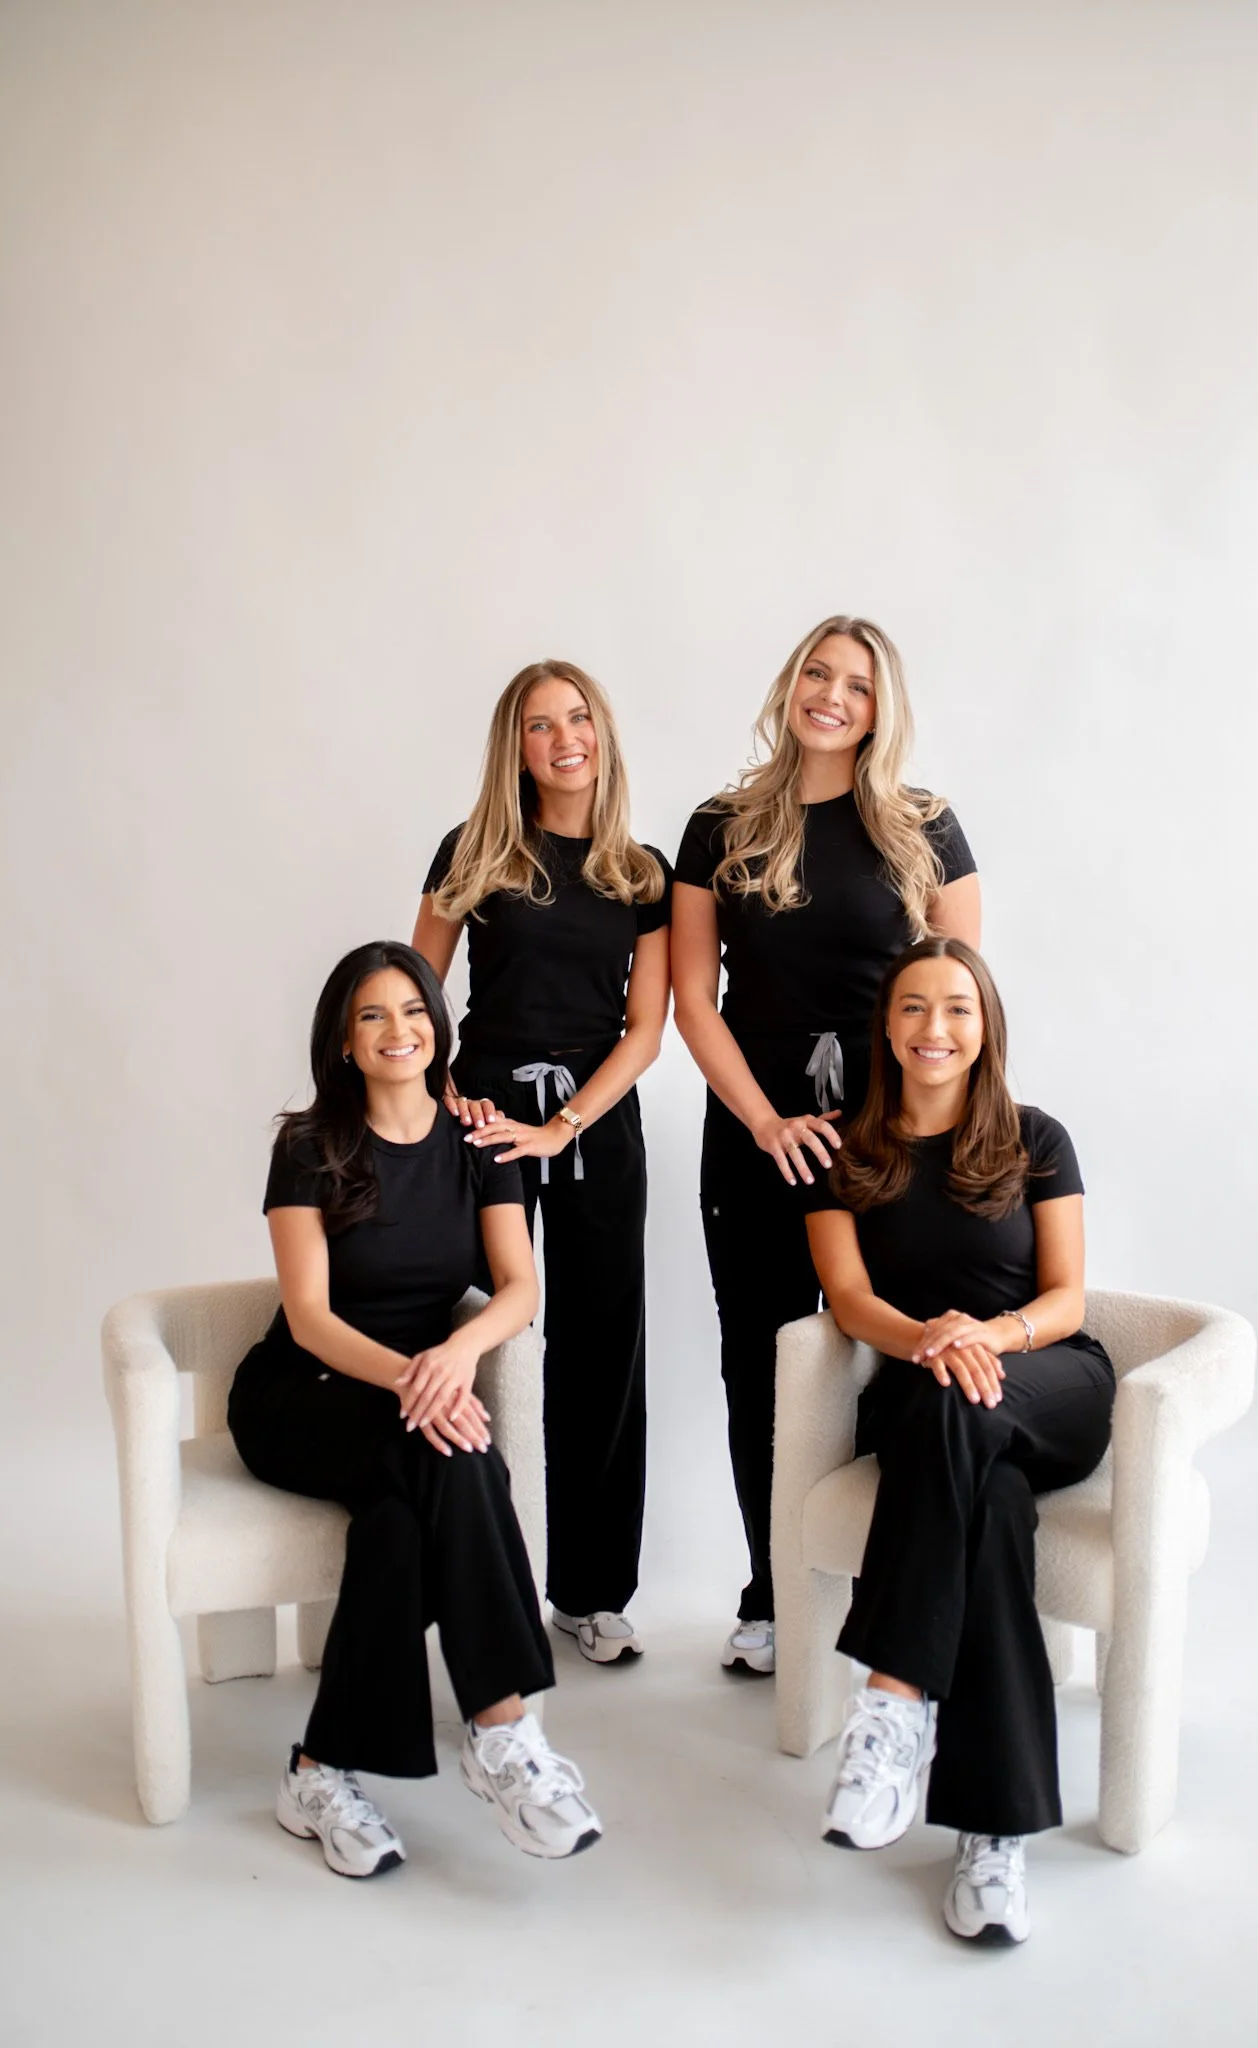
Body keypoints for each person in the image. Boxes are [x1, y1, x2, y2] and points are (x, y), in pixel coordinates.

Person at [228, 941, 602, 1879]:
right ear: (344, 1043)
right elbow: (309, 1319)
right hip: (304, 1396)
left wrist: (455, 1354)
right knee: (464, 1456)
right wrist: (413, 1380)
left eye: (413, 1011)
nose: (398, 1031)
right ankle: (502, 1729)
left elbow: (519, 1289)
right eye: (372, 1016)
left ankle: (318, 1772)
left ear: (439, 1026)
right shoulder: (308, 1146)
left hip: (413, 1392)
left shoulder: (481, 1140)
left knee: (399, 1526)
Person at [671, 616, 979, 1672]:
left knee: (889, 1348)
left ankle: (885, 1589)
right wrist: (763, 1118)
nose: (831, 694)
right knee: (759, 1365)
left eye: (855, 682)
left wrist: (899, 1125)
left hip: (889, 1136)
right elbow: (692, 1001)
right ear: (789, 682)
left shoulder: (923, 822)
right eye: (817, 671)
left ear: (879, 704)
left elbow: (956, 997)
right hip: (757, 1135)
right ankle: (770, 1595)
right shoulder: (720, 824)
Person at [801, 936, 1115, 1945]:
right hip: (936, 1401)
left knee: (956, 1401)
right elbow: (849, 1301)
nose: (934, 1028)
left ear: (984, 1029)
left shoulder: (1036, 1136)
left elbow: (1066, 1297)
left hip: (1046, 1381)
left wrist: (986, 1333)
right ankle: (992, 1836)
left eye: (956, 1009)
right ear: (884, 1026)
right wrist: (930, 1339)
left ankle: (892, 1700)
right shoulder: (843, 1153)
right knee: (989, 1508)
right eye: (912, 1008)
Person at [412, 661, 671, 1664]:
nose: (564, 738)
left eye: (578, 719)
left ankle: (591, 1592)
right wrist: (445, 1100)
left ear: (601, 733)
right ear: (512, 747)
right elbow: (411, 991)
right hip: (481, 1114)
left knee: (605, 1350)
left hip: (594, 1118)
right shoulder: (475, 848)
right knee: (480, 1340)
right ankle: (464, 1576)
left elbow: (646, 1029)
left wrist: (563, 1128)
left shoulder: (641, 872)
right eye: (538, 725)